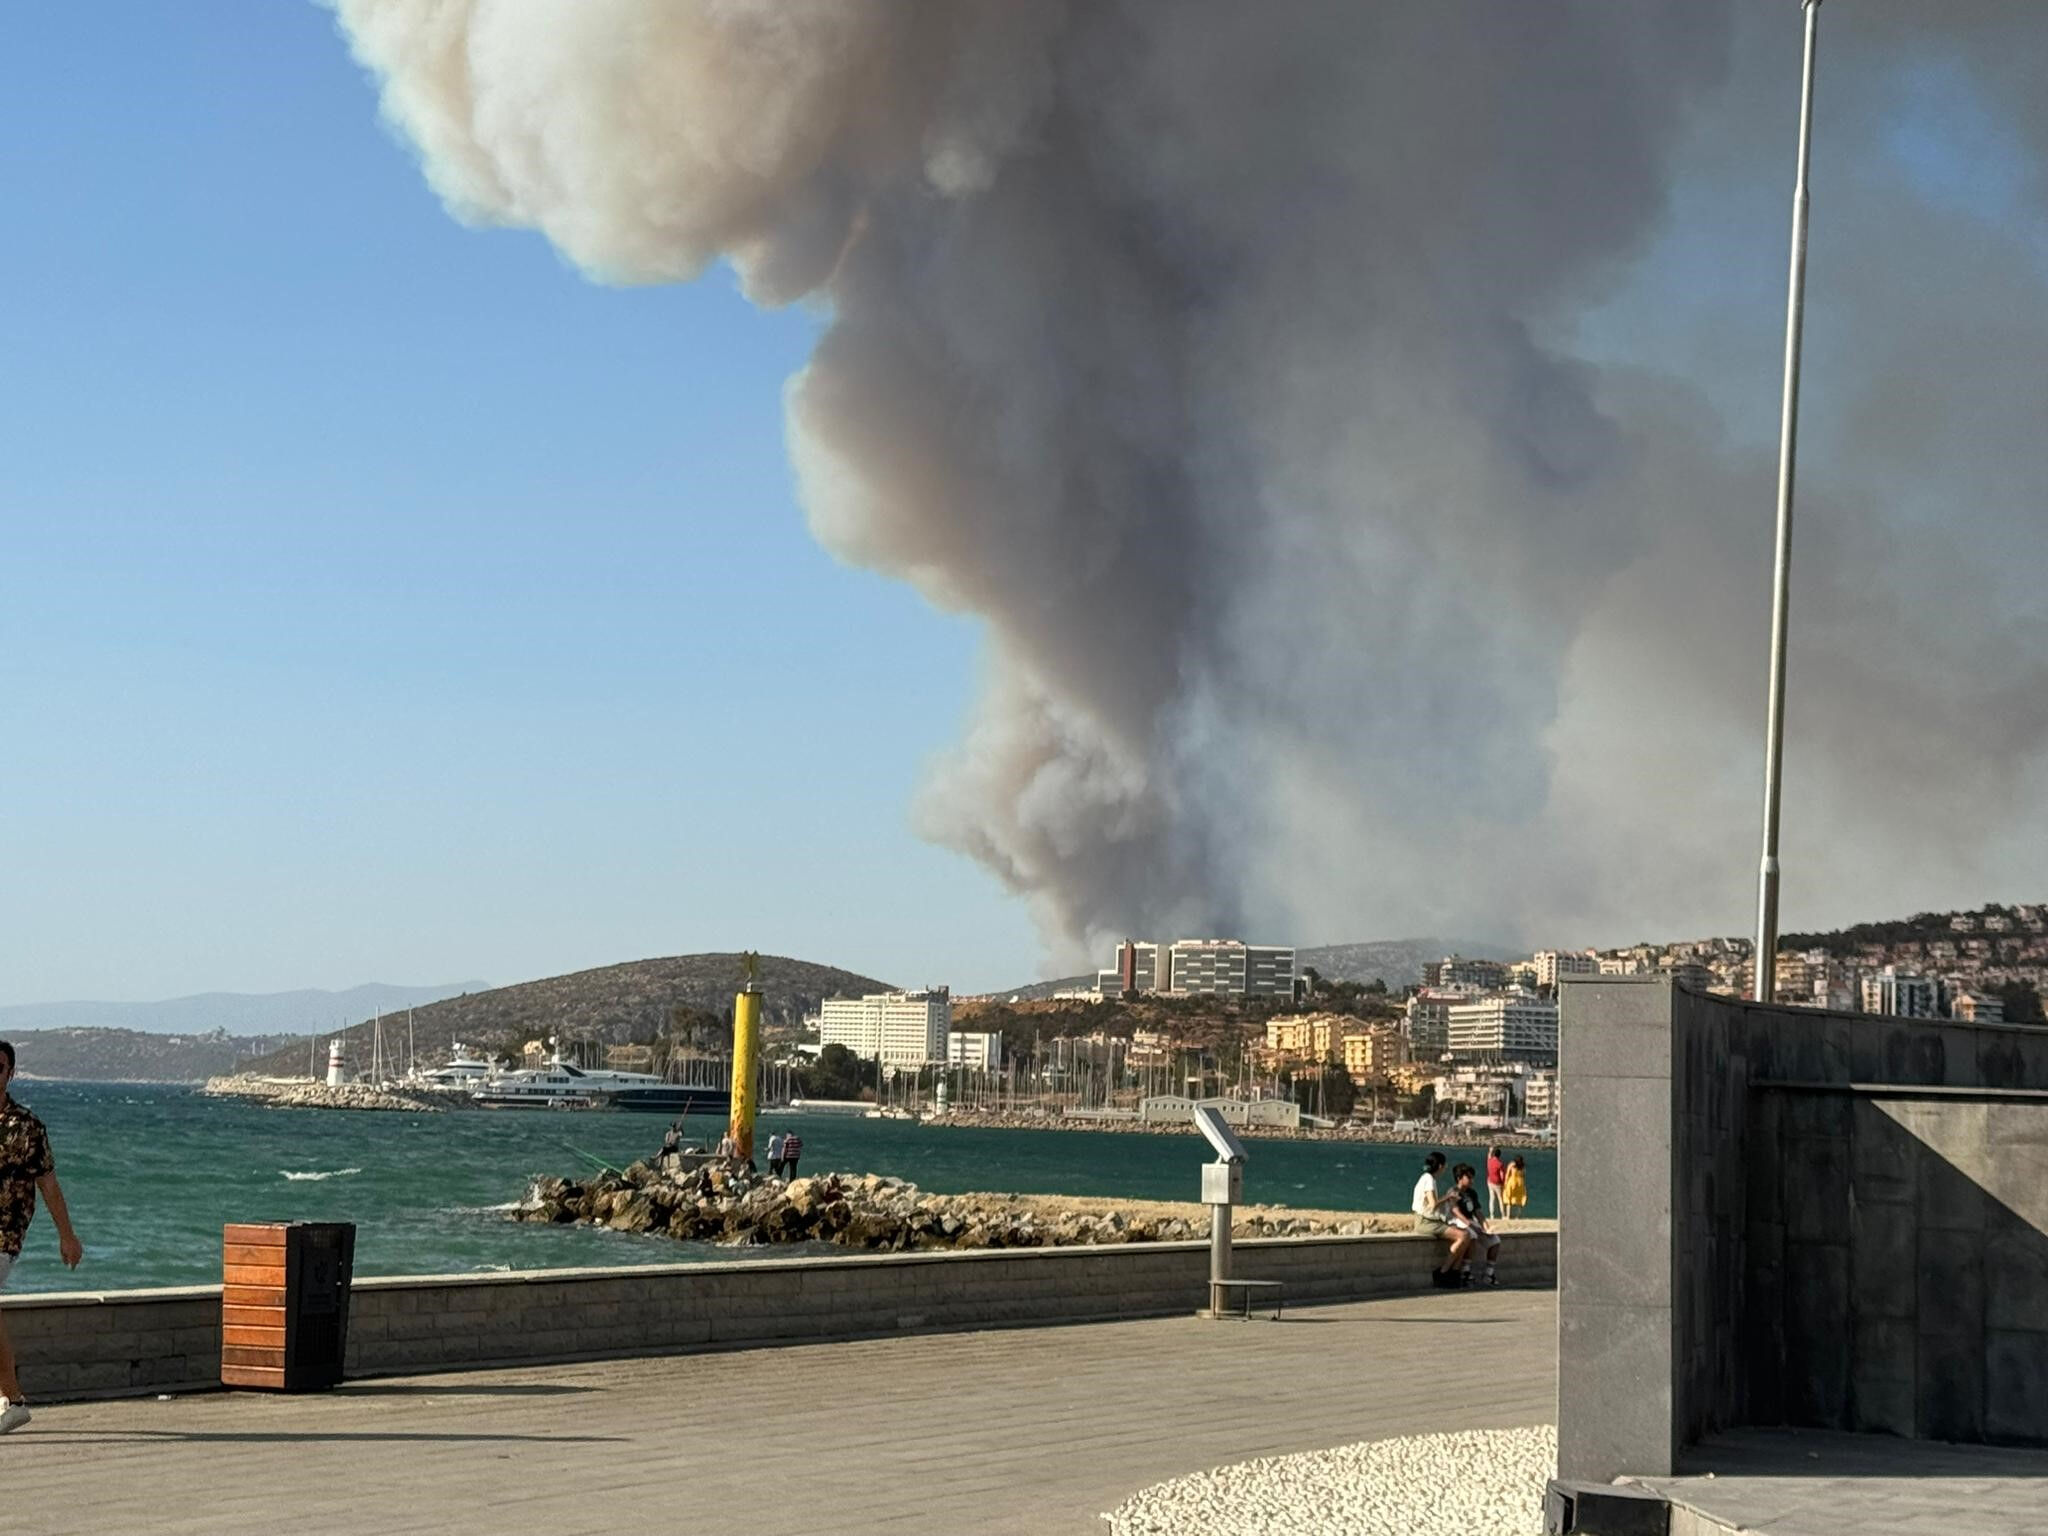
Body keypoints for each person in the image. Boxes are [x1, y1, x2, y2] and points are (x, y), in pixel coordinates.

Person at [0, 1039, 84, 1434]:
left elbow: (48, 1183)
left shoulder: (27, 1126)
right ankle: (9, 1398)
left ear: (10, 1073)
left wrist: (67, 1236)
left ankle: (15, 1401)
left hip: (5, 1232)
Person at [1410, 1151, 1466, 1286]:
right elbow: (1433, 1204)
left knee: (1466, 1235)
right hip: (1425, 1222)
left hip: (1428, 1220)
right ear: (1440, 1166)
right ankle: (1443, 1272)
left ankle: (1454, 1272)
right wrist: (1449, 1197)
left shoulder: (1425, 1178)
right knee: (1463, 1236)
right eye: (1445, 1165)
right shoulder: (1429, 1180)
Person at [1447, 1163, 1501, 1286]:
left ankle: (1489, 1274)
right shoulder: (1453, 1192)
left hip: (1471, 1221)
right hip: (1458, 1221)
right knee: (1472, 1235)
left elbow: (1478, 1212)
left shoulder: (1472, 1193)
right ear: (1459, 1178)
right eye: (1469, 1177)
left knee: (1495, 1241)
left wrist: (1486, 1227)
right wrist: (1470, 1225)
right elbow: (1455, 1212)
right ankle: (1465, 1272)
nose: (1472, 1180)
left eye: (1472, 1177)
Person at [1503, 1155, 1529, 1222]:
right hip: (1520, 1182)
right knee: (1520, 1199)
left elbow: (1507, 1174)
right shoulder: (1522, 1167)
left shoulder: (1511, 1165)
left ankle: (1508, 1215)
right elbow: (1523, 1175)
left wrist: (1505, 1183)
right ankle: (1518, 1216)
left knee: (1509, 1198)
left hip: (1512, 1182)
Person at [1486, 1145, 1507, 1220]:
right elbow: (1502, 1175)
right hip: (1497, 1183)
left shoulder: (1489, 1161)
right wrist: (1503, 1182)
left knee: (1492, 1199)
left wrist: (1490, 1150)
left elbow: (1488, 1156)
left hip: (1490, 1181)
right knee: (1500, 1199)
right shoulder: (1500, 1164)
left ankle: (1492, 1215)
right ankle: (1503, 1215)